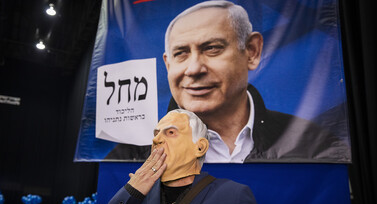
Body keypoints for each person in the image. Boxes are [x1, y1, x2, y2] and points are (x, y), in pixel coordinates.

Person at [106, 0, 350, 163]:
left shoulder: (314, 143)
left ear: (252, 51)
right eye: (181, 53)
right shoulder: (133, 156)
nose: (193, 69)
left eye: (212, 48)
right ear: (168, 64)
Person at [95, 109, 264, 204]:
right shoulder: (137, 195)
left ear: (200, 147)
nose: (157, 140)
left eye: (170, 132)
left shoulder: (234, 196)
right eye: (156, 133)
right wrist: (132, 191)